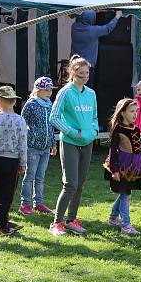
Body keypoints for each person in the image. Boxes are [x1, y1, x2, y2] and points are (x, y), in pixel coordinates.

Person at [48, 56, 99, 236]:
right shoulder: (65, 92)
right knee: (70, 183)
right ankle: (57, 223)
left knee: (80, 184)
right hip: (70, 142)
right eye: (80, 74)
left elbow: (94, 118)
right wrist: (72, 132)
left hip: (87, 143)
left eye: (87, 73)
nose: (85, 77)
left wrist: (93, 131)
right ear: (72, 73)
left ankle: (71, 220)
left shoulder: (91, 94)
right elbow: (53, 117)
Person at [0, 86, 27, 235]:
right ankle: (1, 226)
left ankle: (4, 219)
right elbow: (23, 144)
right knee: (7, 194)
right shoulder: (20, 120)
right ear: (14, 102)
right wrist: (23, 163)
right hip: (12, 161)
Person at [104, 98, 141, 235]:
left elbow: (139, 149)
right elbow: (113, 151)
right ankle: (126, 225)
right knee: (126, 193)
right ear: (122, 113)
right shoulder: (118, 129)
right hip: (122, 167)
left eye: (136, 111)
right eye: (131, 111)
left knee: (125, 192)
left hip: (134, 167)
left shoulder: (136, 129)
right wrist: (115, 170)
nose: (135, 114)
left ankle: (113, 218)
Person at [18, 77, 56, 216]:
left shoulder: (50, 105)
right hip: (32, 147)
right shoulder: (31, 104)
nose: (49, 92)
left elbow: (51, 126)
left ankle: (38, 203)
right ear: (37, 90)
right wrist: (24, 141)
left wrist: (53, 143)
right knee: (30, 175)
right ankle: (25, 204)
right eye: (46, 89)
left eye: (50, 89)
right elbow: (22, 123)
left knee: (40, 176)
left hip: (45, 147)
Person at [70, 10, 121, 87]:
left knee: (74, 88)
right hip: (87, 68)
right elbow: (108, 28)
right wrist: (117, 16)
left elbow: (80, 17)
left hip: (75, 65)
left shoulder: (74, 27)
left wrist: (95, 11)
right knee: (86, 90)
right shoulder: (92, 30)